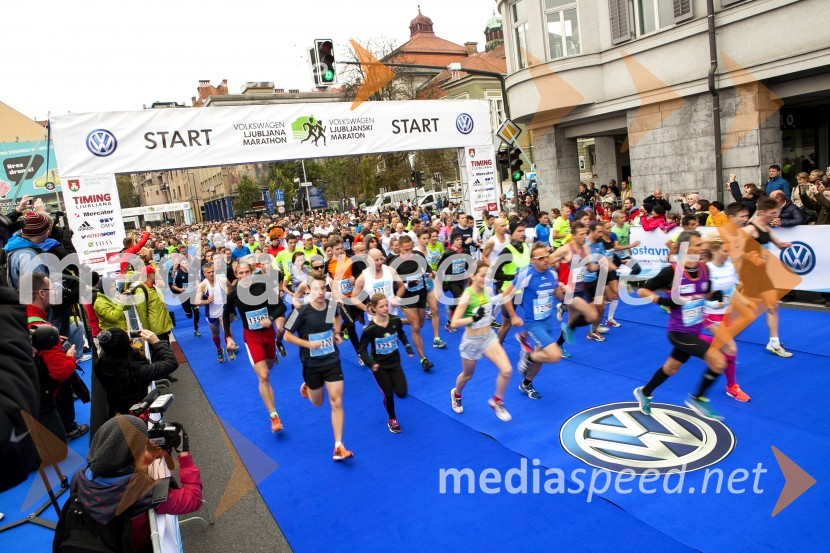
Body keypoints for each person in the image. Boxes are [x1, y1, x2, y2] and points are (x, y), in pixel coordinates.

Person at [53, 415, 202, 553]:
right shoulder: (146, 493)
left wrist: (158, 453)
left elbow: (125, 469)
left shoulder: (80, 479)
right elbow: (193, 498)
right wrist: (184, 453)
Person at [633, 231, 728, 421]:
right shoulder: (672, 271)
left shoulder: (704, 269)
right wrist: (665, 301)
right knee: (718, 361)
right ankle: (698, 398)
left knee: (671, 368)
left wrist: (714, 296)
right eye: (698, 245)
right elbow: (642, 291)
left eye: (702, 245)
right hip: (678, 332)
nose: (703, 248)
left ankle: (645, 392)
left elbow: (704, 292)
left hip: (695, 329)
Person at [284, 274, 354, 461]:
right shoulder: (301, 312)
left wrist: (336, 333)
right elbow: (286, 336)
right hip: (311, 364)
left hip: (331, 360)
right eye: (316, 288)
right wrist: (308, 345)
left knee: (337, 401)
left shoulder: (331, 307)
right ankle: (307, 384)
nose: (321, 292)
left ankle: (338, 446)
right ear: (308, 290)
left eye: (323, 288)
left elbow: (338, 318)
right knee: (318, 402)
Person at [223, 262, 286, 432]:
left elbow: (281, 306)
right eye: (240, 273)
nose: (244, 276)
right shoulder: (233, 294)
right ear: (236, 275)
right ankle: (274, 416)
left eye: (246, 272)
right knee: (264, 376)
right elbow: (225, 315)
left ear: (252, 272)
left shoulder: (263, 286)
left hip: (268, 333)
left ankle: (276, 349)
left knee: (270, 365)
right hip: (251, 336)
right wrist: (228, 337)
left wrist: (271, 318)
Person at [501, 242, 565, 400]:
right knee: (554, 355)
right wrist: (514, 316)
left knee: (540, 357)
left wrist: (562, 291)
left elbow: (558, 296)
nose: (545, 260)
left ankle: (526, 383)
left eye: (547, 256)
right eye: (541, 257)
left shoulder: (553, 274)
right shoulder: (526, 275)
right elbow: (505, 295)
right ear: (532, 260)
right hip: (533, 324)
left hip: (547, 321)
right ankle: (527, 357)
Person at [449, 264, 513, 420]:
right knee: (468, 375)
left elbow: (496, 302)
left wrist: (514, 283)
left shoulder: (488, 290)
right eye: (482, 275)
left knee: (506, 370)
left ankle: (497, 401)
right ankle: (456, 394)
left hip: (488, 337)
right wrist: (473, 318)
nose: (486, 279)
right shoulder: (467, 296)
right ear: (472, 276)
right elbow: (454, 322)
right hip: (471, 341)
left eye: (487, 275)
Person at [742, 197, 794, 357]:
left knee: (772, 306)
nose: (775, 215)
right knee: (744, 309)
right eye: (772, 213)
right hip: (749, 274)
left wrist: (784, 244)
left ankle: (774, 342)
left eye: (776, 212)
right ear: (762, 212)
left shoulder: (766, 227)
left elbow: (777, 243)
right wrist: (749, 257)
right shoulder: (750, 230)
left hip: (761, 273)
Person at [702, 238, 749, 402]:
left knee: (724, 346)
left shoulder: (729, 266)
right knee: (730, 347)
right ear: (714, 251)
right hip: (709, 314)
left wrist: (745, 303)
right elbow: (696, 296)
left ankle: (690, 338)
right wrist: (711, 303)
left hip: (725, 313)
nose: (727, 254)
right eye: (724, 251)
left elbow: (731, 289)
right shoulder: (706, 270)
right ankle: (731, 387)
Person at [358, 294, 414, 433]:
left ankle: (392, 401)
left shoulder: (395, 320)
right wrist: (371, 363)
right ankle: (392, 419)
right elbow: (362, 349)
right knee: (388, 394)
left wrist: (407, 346)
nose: (385, 308)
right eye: (381, 306)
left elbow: (401, 333)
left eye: (386, 305)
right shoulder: (370, 329)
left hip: (395, 362)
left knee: (401, 393)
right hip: (380, 367)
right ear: (375, 309)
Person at [95, 329, 179, 418]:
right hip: (140, 413)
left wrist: (121, 338)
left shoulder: (100, 365)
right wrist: (156, 342)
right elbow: (171, 363)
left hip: (119, 410)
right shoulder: (137, 371)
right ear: (126, 347)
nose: (131, 340)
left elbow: (112, 348)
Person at [392, 236, 437, 371]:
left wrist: (430, 272)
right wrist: (406, 284)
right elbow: (393, 285)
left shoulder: (418, 255)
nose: (410, 252)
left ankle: (397, 322)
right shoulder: (394, 263)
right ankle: (423, 359)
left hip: (421, 294)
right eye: (406, 250)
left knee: (420, 323)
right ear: (399, 248)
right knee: (416, 326)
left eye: (411, 248)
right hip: (406, 297)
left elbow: (427, 268)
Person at [194, 262, 230, 363]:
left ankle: (229, 347)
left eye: (213, 271)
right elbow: (196, 301)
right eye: (208, 272)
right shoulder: (202, 285)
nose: (211, 274)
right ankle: (219, 349)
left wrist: (228, 295)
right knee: (215, 334)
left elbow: (229, 285)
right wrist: (206, 301)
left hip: (223, 310)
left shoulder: (222, 280)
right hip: (211, 313)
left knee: (226, 329)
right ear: (204, 273)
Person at [132, 267, 175, 342]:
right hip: (155, 329)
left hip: (162, 326)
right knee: (160, 350)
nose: (155, 275)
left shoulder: (153, 286)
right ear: (149, 275)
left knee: (166, 348)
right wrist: (147, 331)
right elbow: (142, 313)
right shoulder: (141, 291)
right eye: (154, 273)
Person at [171, 256, 201, 337]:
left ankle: (196, 329)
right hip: (183, 296)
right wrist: (180, 289)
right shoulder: (178, 273)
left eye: (186, 263)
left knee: (197, 312)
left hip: (193, 295)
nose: (185, 264)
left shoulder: (193, 271)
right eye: (183, 263)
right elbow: (173, 286)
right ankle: (187, 312)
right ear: (180, 265)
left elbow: (197, 280)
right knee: (189, 315)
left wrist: (197, 285)